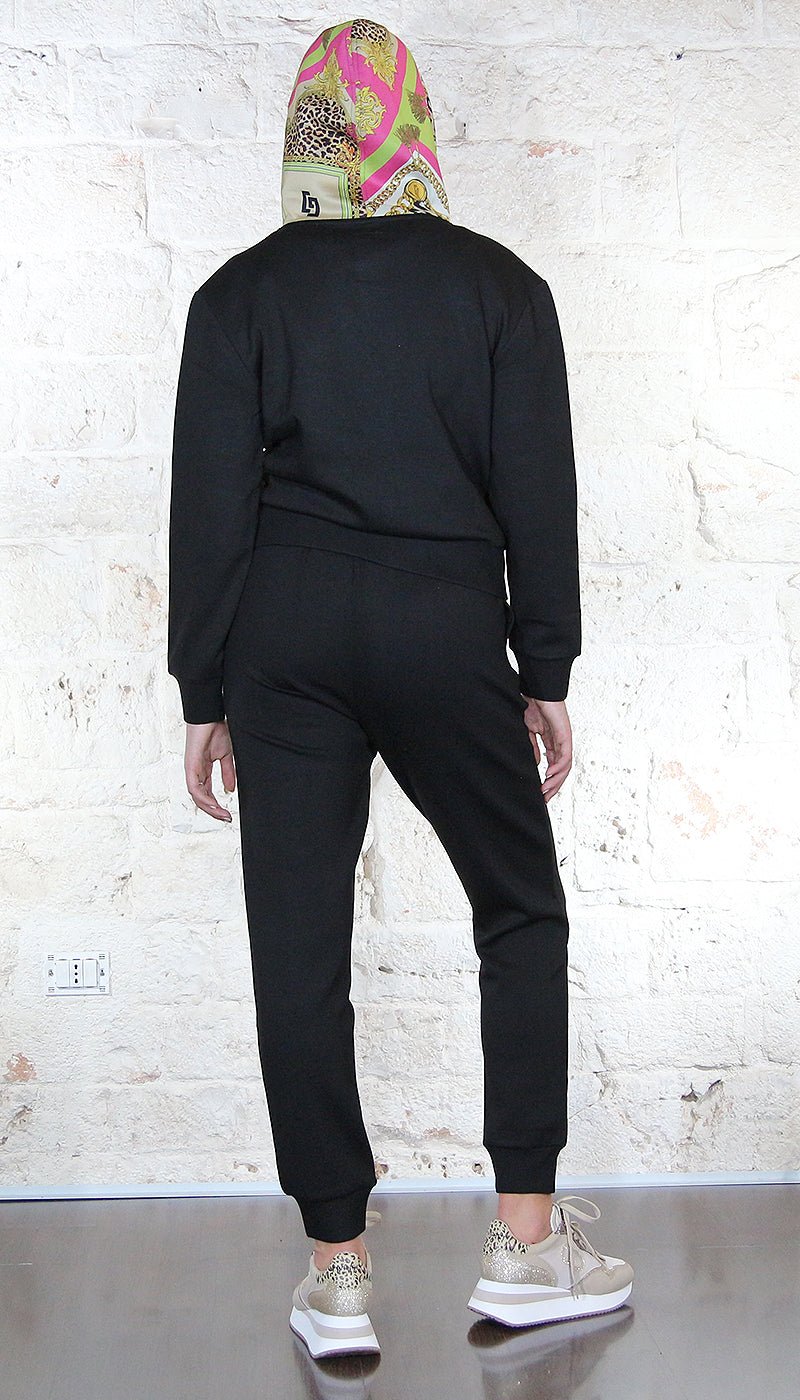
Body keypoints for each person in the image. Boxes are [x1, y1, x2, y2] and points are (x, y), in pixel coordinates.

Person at [167, 17, 633, 1360]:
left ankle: (337, 1272)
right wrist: (543, 667)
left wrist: (205, 687)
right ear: (416, 125)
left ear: (306, 132)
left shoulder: (238, 295)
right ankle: (527, 1247)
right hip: (443, 626)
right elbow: (537, 488)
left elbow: (209, 505)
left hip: (287, 638)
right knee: (518, 908)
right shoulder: (500, 289)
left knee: (297, 944)